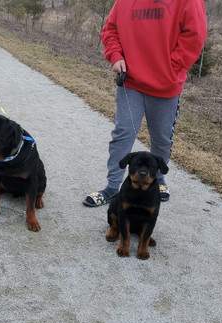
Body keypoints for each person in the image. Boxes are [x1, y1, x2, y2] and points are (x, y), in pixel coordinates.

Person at [83, 0, 207, 207]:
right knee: (123, 134)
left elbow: (195, 36)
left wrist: (171, 68)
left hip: (166, 85)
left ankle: (158, 179)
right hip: (130, 81)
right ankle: (113, 188)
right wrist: (115, 55)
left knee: (161, 138)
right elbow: (110, 29)